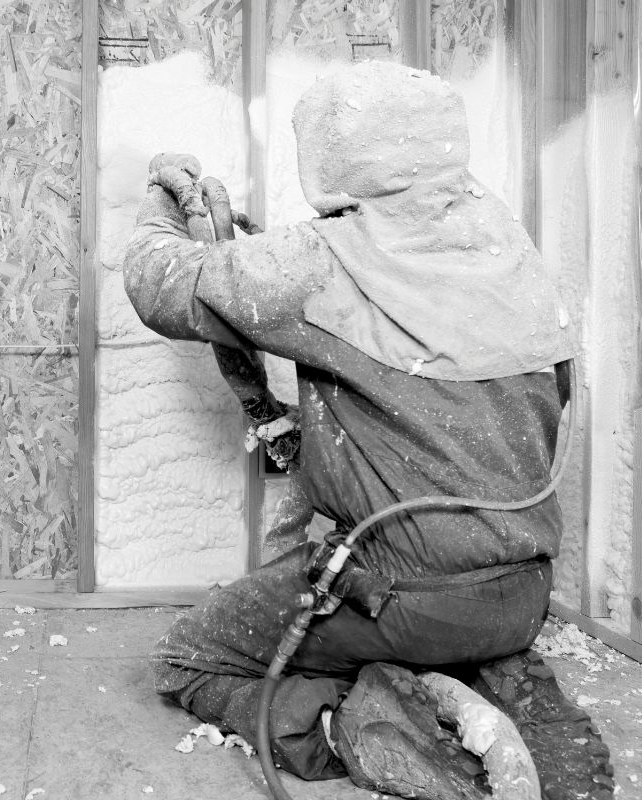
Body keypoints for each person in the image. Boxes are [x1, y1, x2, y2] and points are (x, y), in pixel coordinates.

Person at [122, 61, 613, 799]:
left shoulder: (324, 263)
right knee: (442, 619)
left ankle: (340, 727)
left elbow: (160, 284)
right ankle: (478, 677)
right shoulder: (504, 243)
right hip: (523, 596)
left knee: (189, 657)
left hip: (410, 599)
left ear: (333, 153)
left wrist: (161, 203)